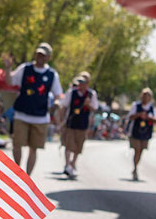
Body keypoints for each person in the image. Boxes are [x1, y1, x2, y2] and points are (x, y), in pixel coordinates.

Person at [7, 43, 62, 176]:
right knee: (17, 144)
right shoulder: (25, 68)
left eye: (42, 55)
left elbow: (58, 94)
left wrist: (56, 103)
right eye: (38, 54)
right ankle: (17, 172)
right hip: (22, 114)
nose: (39, 57)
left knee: (34, 148)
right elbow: (10, 81)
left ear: (48, 57)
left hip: (40, 117)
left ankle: (27, 177)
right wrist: (8, 68)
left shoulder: (52, 74)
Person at [57, 73, 98, 179]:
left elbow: (95, 108)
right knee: (68, 145)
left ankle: (73, 163)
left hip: (83, 124)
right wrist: (61, 120)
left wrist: (88, 104)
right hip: (71, 122)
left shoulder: (91, 94)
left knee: (78, 146)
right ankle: (67, 165)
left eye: (83, 83)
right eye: (79, 83)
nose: (80, 85)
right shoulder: (72, 92)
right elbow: (64, 106)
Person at [125, 87, 156, 181]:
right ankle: (135, 169)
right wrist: (139, 115)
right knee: (137, 150)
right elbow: (130, 116)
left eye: (148, 96)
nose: (146, 98)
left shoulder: (152, 108)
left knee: (140, 151)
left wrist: (148, 117)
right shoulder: (136, 105)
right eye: (144, 95)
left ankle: (136, 167)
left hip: (146, 132)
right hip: (135, 131)